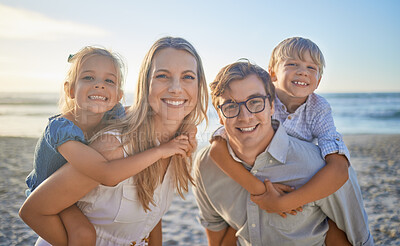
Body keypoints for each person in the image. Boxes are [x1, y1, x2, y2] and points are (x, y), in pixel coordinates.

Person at [19, 37, 208, 246]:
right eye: (163, 75)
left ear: (200, 87)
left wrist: (188, 129)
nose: (176, 88)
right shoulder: (112, 145)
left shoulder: (178, 144)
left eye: (188, 77)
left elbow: (151, 215)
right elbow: (33, 210)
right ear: (145, 84)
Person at [192, 61, 373, 245]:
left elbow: (359, 239)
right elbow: (214, 227)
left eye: (255, 102)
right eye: (231, 106)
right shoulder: (206, 165)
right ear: (220, 114)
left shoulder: (319, 167)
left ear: (271, 106)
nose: (245, 116)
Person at [210, 37, 351, 215]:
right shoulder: (260, 100)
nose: (303, 72)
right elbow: (217, 148)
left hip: (293, 174)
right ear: (273, 73)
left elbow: (339, 168)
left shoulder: (318, 108)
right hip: (258, 172)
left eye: (311, 68)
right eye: (292, 64)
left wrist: (283, 203)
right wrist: (259, 190)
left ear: (319, 80)